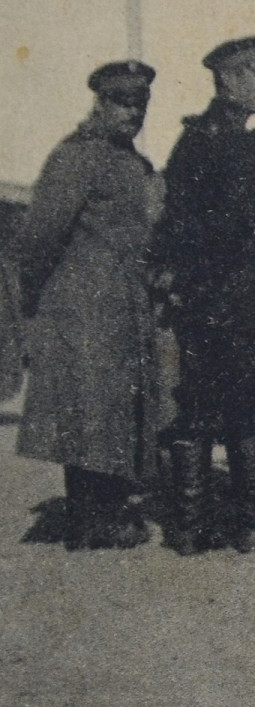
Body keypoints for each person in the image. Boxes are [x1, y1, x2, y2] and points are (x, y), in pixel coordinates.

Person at [155, 36, 255, 554]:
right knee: (249, 411)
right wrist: (226, 288)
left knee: (199, 408)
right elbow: (223, 229)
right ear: (232, 79)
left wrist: (193, 290)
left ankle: (191, 527)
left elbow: (177, 226)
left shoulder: (197, 137)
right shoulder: (232, 142)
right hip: (237, 302)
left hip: (207, 302)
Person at [16, 60, 161, 548]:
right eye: (122, 103)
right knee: (88, 409)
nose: (132, 113)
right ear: (99, 103)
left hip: (125, 303)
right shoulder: (75, 157)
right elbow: (38, 238)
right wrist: (43, 301)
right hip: (83, 304)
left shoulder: (133, 163)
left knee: (115, 409)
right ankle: (89, 519)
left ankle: (108, 512)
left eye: (140, 104)